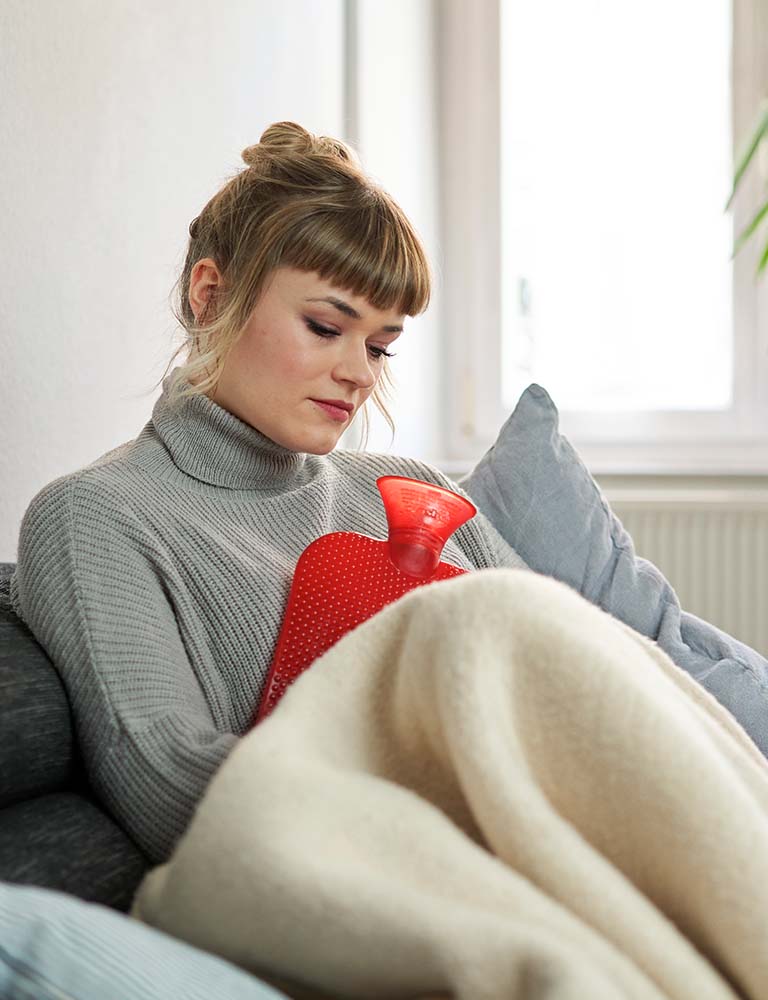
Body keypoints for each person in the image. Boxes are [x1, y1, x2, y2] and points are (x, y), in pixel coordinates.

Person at [9, 121, 529, 865]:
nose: (360, 372)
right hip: (410, 874)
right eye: (325, 327)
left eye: (380, 346)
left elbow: (574, 664)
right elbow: (170, 783)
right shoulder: (97, 518)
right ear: (213, 296)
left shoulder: (412, 492)